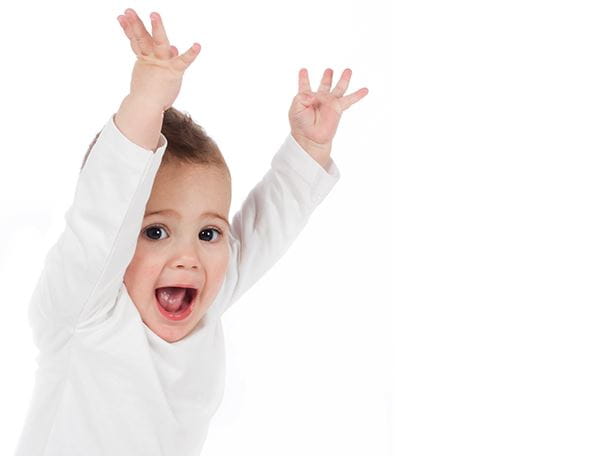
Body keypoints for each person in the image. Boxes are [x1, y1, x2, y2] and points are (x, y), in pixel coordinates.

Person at [15, 7, 368, 455]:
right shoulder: (84, 310)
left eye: (207, 234)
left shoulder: (206, 297)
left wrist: (309, 148)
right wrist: (147, 101)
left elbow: (268, 224)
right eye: (155, 232)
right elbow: (102, 212)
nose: (189, 258)